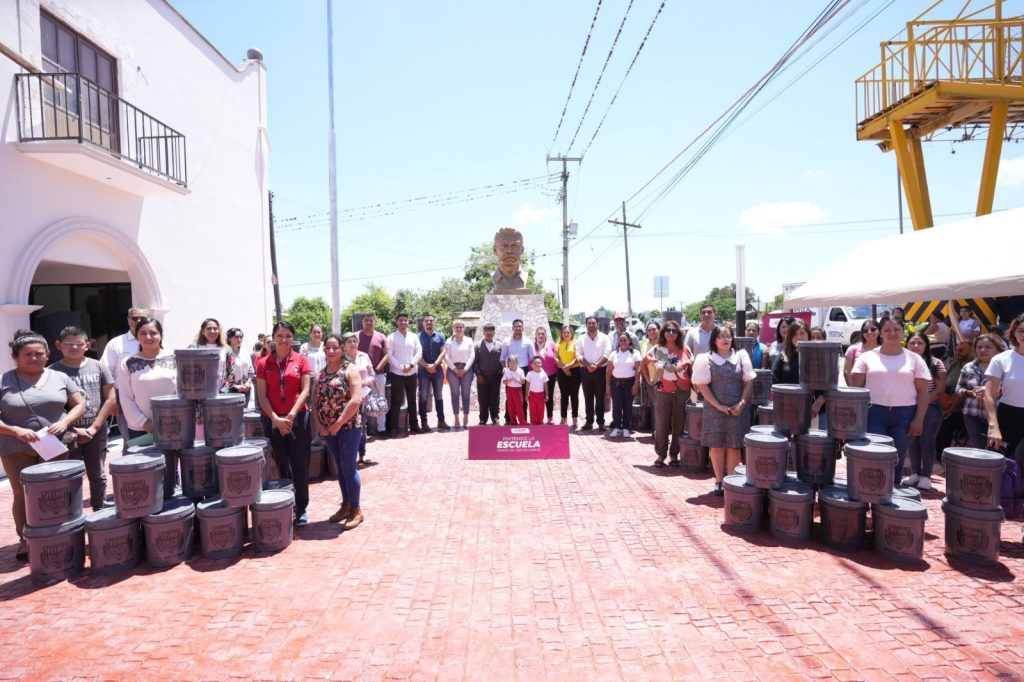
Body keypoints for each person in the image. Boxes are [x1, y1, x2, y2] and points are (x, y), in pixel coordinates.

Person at [1, 330, 86, 561]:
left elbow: (80, 404)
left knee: (54, 493)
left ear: (48, 355)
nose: (34, 358)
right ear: (15, 356)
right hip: (15, 447)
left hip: (53, 445)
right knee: (23, 495)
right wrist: (15, 430)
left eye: (39, 353)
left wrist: (65, 422)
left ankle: (57, 535)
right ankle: (25, 540)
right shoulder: (4, 381)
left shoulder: (60, 377)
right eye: (27, 354)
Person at [850, 317, 930, 482]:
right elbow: (856, 391)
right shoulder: (866, 358)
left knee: (897, 460)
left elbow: (923, 392)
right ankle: (872, 494)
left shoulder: (915, 359)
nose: (892, 333)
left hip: (905, 415)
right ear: (880, 332)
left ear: (903, 331)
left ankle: (891, 500)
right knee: (875, 456)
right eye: (887, 330)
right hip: (874, 414)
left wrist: (919, 419)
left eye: (896, 329)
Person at [51, 326, 116, 512]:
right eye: (68, 344)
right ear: (58, 345)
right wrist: (72, 428)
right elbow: (53, 407)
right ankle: (73, 513)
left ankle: (99, 510)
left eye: (79, 344)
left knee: (97, 474)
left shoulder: (98, 366)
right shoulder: (53, 371)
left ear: (87, 345)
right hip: (68, 433)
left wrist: (95, 427)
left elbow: (111, 397)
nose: (74, 347)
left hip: (96, 430)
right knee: (71, 475)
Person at [256, 321, 313, 526]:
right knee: (281, 464)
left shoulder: (301, 360)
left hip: (298, 418)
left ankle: (302, 507)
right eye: (279, 335)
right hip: (273, 420)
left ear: (293, 338)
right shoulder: (263, 363)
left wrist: (290, 415)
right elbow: (262, 396)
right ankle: (286, 505)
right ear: (273, 337)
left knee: (300, 464)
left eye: (288, 335)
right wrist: (276, 419)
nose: (283, 339)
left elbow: (305, 390)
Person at [692, 325, 755, 495]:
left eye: (728, 335)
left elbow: (749, 381)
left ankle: (731, 481)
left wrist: (742, 402)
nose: (725, 339)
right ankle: (719, 480)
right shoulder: (705, 359)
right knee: (717, 445)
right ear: (714, 340)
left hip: (737, 410)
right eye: (721, 336)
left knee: (734, 446)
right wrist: (718, 405)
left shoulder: (741, 356)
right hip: (714, 410)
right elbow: (702, 385)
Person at [315, 333, 364, 530]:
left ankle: (356, 509)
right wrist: (319, 425)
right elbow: (315, 399)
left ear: (342, 349)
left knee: (349, 467)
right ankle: (346, 505)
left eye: (336, 347)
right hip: (328, 430)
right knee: (340, 468)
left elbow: (356, 400)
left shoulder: (350, 369)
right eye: (328, 347)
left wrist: (338, 423)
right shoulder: (321, 373)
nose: (332, 351)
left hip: (349, 427)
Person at [116, 317, 177, 435]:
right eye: (143, 333)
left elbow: (181, 392)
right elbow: (125, 396)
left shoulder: (176, 359)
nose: (148, 337)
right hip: (140, 428)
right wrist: (144, 423)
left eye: (153, 333)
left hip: (174, 423)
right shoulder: (127, 363)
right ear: (136, 336)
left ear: (162, 335)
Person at [903, 332, 947, 489]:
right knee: (912, 442)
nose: (916, 346)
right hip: (907, 407)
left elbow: (939, 389)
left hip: (931, 408)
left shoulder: (936, 363)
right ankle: (915, 473)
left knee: (927, 442)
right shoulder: (902, 362)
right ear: (906, 345)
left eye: (920, 343)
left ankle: (926, 475)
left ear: (926, 345)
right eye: (912, 343)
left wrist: (922, 404)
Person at [648, 321, 693, 467]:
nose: (671, 333)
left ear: (679, 333)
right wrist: (650, 380)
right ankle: (661, 454)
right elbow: (645, 363)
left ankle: (674, 454)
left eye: (674, 330)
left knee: (679, 424)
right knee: (661, 424)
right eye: (668, 330)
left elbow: (689, 369)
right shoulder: (660, 349)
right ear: (663, 332)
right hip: (662, 391)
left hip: (682, 391)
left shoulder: (685, 349)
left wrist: (694, 387)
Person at [100, 306, 149, 439]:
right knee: (131, 439)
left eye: (143, 318)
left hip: (151, 396)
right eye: (135, 318)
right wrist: (112, 400)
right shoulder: (116, 344)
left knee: (155, 437)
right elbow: (105, 373)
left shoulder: (156, 341)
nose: (138, 321)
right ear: (128, 320)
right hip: (124, 397)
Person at [985, 313, 1024, 467]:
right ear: (1014, 332)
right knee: (998, 464)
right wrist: (993, 427)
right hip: (1008, 416)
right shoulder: (1001, 359)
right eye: (1021, 330)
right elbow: (989, 394)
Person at [957, 334, 1005, 448]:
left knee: (998, 449)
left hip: (998, 416)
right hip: (972, 415)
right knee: (979, 450)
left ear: (997, 349)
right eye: (979, 347)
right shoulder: (968, 367)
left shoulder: (1005, 367)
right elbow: (958, 388)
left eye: (988, 347)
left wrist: (992, 390)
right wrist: (970, 392)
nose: (983, 350)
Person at [386, 313, 423, 436]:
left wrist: (411, 364)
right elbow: (389, 355)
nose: (403, 322)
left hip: (412, 373)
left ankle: (414, 425)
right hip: (397, 373)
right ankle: (394, 428)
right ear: (396, 322)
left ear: (408, 322)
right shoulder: (391, 337)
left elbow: (419, 351)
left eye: (405, 320)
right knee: (396, 401)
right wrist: (401, 367)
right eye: (401, 320)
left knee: (412, 400)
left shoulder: (414, 337)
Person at [576, 316, 611, 430]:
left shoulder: (605, 338)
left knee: (600, 397)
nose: (591, 325)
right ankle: (589, 421)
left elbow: (607, 353)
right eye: (589, 323)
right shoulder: (581, 339)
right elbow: (578, 355)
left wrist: (595, 365)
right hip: (585, 371)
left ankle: (601, 422)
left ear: (597, 324)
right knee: (588, 397)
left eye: (593, 323)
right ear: (586, 325)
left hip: (600, 371)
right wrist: (588, 365)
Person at [358, 313, 389, 435]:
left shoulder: (381, 337)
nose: (369, 322)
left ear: (375, 322)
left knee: (380, 401)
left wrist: (375, 370)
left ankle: (381, 428)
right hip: (361, 377)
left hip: (378, 375)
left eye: (371, 320)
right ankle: (362, 430)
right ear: (362, 322)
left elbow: (387, 355)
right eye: (366, 320)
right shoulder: (357, 336)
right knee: (361, 403)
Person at [606, 332, 641, 438]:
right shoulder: (614, 354)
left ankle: (626, 428)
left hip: (630, 383)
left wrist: (636, 383)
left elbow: (638, 369)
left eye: (625, 340)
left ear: (629, 341)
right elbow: (608, 370)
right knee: (617, 405)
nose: (623, 342)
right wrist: (607, 385)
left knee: (627, 406)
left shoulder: (635, 353)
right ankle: (617, 427)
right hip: (616, 383)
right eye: (621, 340)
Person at [418, 314, 449, 431]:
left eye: (431, 321)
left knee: (439, 395)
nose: (429, 323)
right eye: (427, 321)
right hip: (423, 370)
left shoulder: (440, 336)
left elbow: (443, 352)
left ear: (434, 322)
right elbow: (416, 354)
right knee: (423, 396)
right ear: (423, 323)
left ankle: (441, 420)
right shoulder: (418, 337)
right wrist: (426, 366)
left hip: (437, 369)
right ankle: (424, 422)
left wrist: (434, 365)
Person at [445, 321, 476, 429]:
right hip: (452, 370)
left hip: (466, 369)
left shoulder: (469, 340)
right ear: (453, 328)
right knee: (455, 394)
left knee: (466, 394)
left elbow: (472, 355)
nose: (458, 329)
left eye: (460, 327)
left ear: (464, 328)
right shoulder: (449, 341)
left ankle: (466, 416)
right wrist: (454, 369)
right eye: (456, 327)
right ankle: (456, 417)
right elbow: (447, 356)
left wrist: (465, 369)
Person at [500, 319, 531, 423]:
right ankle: (508, 419)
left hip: (523, 371)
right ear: (512, 328)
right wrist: (505, 369)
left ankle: (523, 419)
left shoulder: (528, 341)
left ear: (523, 328)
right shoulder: (506, 341)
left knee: (523, 397)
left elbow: (533, 357)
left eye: (520, 326)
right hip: (510, 371)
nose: (518, 328)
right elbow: (502, 358)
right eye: (516, 326)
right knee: (510, 397)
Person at [189, 318, 230, 391]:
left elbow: (231, 372)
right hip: (198, 392)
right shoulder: (194, 348)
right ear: (203, 331)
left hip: (220, 393)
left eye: (215, 328)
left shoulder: (227, 349)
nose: (212, 331)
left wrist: (225, 390)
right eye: (209, 328)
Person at [475, 323, 502, 425]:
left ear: (494, 333)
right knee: (483, 398)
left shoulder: (499, 345)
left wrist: (501, 374)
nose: (489, 334)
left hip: (495, 376)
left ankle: (495, 417)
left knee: (495, 398)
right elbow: (475, 362)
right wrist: (478, 374)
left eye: (491, 332)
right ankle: (483, 418)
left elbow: (502, 360)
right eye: (487, 332)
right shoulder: (477, 346)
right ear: (484, 333)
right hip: (482, 376)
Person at [531, 326, 559, 424]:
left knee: (549, 396)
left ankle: (550, 416)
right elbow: (529, 360)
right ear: (535, 335)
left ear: (546, 335)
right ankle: (536, 417)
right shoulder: (532, 346)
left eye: (543, 333)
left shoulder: (552, 345)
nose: (541, 335)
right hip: (535, 376)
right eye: (539, 334)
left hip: (550, 376)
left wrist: (557, 374)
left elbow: (556, 360)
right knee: (536, 397)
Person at [555, 326, 581, 427]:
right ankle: (563, 418)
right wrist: (564, 369)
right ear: (561, 334)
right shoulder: (558, 345)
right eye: (564, 332)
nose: (566, 334)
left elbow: (578, 358)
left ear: (572, 334)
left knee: (574, 395)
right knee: (564, 396)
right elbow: (556, 359)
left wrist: (569, 367)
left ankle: (575, 418)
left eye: (568, 332)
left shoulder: (576, 344)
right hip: (562, 372)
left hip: (575, 371)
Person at [639, 321, 662, 432]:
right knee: (654, 406)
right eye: (649, 330)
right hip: (650, 380)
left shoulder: (664, 344)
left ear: (659, 330)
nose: (651, 332)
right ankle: (656, 430)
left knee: (662, 406)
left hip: (664, 380)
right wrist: (647, 380)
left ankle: (662, 431)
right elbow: (642, 363)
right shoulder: (644, 345)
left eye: (654, 329)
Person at [843, 320, 881, 385]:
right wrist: (854, 390)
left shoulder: (885, 350)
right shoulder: (852, 349)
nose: (869, 332)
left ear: (879, 332)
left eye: (873, 329)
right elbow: (846, 372)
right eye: (865, 330)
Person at [225, 328, 254, 407]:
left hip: (245, 389)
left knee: (244, 414)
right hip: (231, 390)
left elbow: (251, 369)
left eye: (241, 337)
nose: (239, 339)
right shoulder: (225, 353)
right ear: (229, 338)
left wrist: (248, 382)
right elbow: (222, 374)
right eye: (236, 337)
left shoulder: (245, 351)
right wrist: (234, 386)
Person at [502, 355, 526, 425]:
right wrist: (508, 381)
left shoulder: (520, 370)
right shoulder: (507, 371)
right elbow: (504, 381)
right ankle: (513, 422)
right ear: (508, 363)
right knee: (511, 407)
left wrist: (517, 381)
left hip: (518, 391)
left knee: (519, 407)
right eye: (511, 362)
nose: (513, 364)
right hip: (510, 390)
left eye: (514, 362)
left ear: (517, 363)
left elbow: (523, 382)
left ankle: (522, 421)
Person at [525, 357, 549, 425]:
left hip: (541, 395)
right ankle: (533, 423)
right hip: (532, 395)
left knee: (541, 410)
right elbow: (527, 385)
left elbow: (545, 385)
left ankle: (540, 423)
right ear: (532, 365)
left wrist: (546, 395)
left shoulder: (544, 374)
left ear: (541, 364)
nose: (537, 364)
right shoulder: (529, 374)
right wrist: (526, 395)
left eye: (539, 363)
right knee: (532, 410)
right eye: (535, 363)